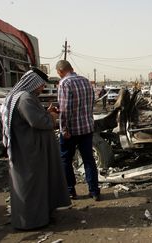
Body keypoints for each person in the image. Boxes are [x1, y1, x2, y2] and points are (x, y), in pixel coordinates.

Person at [0, 67, 71, 230]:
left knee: (37, 185)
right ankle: (33, 221)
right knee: (31, 187)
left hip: (30, 150)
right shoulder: (25, 98)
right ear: (33, 83)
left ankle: (41, 215)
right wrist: (52, 116)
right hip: (30, 153)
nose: (42, 88)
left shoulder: (25, 97)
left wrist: (46, 113)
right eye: (41, 85)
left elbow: (32, 118)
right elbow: (39, 122)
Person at [56, 60, 101, 201]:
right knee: (88, 159)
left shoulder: (64, 83)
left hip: (71, 130)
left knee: (65, 159)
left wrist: (64, 129)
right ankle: (94, 191)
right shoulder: (86, 81)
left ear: (59, 71)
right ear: (72, 68)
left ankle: (70, 191)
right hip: (86, 128)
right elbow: (90, 102)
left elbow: (64, 110)